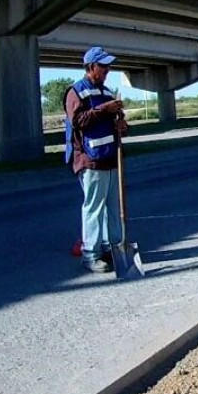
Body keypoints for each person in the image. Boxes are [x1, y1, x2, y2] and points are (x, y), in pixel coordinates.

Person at [64, 46, 129, 273]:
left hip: (111, 158)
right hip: (90, 161)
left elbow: (116, 121)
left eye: (108, 65)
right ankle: (90, 255)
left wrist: (121, 124)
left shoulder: (107, 92)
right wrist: (104, 109)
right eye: (103, 66)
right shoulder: (76, 92)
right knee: (93, 208)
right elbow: (78, 121)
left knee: (113, 207)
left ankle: (113, 248)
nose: (107, 70)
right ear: (92, 67)